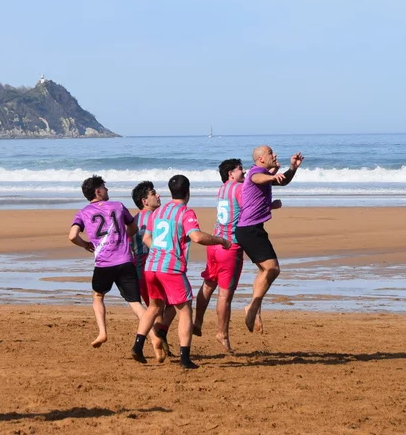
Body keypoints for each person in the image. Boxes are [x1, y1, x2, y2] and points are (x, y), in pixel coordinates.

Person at [130, 174, 231, 369]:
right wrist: (221, 240)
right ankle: (185, 358)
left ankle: (138, 345)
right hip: (171, 268)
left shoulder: (158, 212)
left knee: (154, 307)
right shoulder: (185, 212)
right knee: (185, 309)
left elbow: (146, 238)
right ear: (188, 192)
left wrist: (160, 251)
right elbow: (197, 237)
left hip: (151, 266)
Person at [192, 158, 265, 352]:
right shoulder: (240, 189)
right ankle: (222, 333)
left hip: (214, 243)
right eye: (240, 169)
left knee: (208, 285)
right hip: (229, 247)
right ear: (230, 174)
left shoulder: (222, 189)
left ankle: (198, 321)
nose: (244, 172)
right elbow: (250, 210)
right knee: (224, 295)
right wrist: (270, 206)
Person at [68, 175, 145, 348]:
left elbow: (72, 236)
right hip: (125, 261)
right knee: (135, 303)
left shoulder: (83, 212)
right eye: (104, 187)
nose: (107, 189)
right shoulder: (118, 206)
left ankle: (102, 332)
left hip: (103, 264)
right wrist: (123, 237)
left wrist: (86, 245)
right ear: (98, 191)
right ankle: (154, 338)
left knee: (98, 296)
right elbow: (133, 227)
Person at [235, 145, 303, 334]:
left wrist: (292, 168)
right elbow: (257, 178)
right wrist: (272, 177)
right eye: (270, 153)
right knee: (272, 269)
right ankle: (252, 307)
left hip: (252, 229)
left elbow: (283, 181)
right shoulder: (256, 172)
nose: (274, 154)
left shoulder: (266, 174)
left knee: (264, 271)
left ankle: (255, 310)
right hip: (249, 230)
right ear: (261, 159)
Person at [132, 181, 174, 356]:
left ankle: (161, 346)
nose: (158, 196)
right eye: (153, 193)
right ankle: (158, 338)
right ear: (144, 201)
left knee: (155, 307)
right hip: (154, 267)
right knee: (173, 304)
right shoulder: (156, 218)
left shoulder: (133, 219)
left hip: (138, 270)